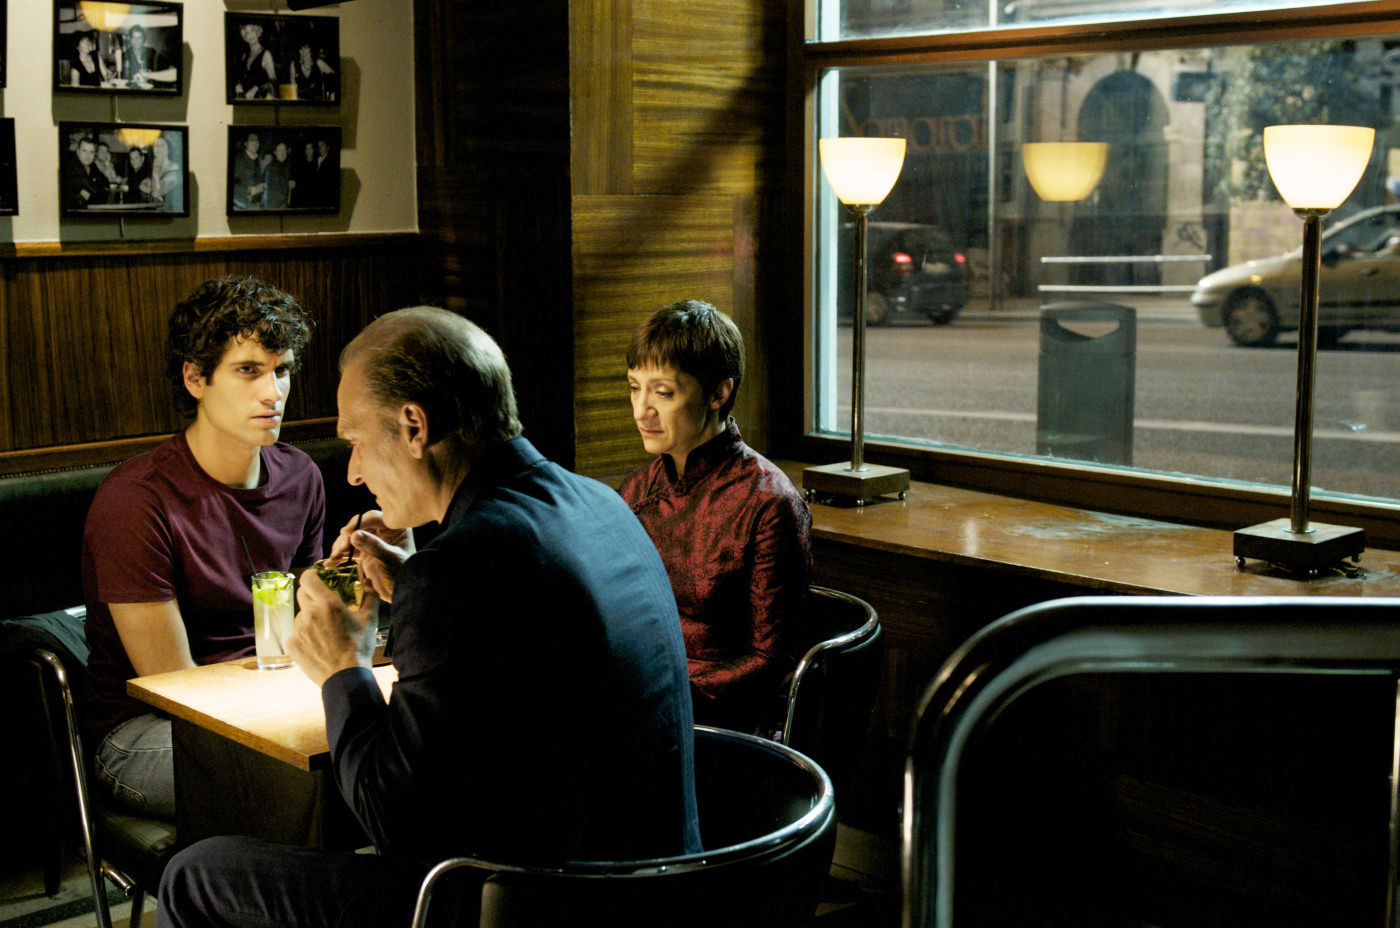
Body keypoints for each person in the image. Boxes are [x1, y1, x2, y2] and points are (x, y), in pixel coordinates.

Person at [155, 307, 699, 928]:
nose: (354, 472)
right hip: (665, 891)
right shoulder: (600, 502)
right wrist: (410, 583)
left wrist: (342, 667)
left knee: (196, 873)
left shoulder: (462, 568)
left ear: (415, 426)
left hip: (528, 904)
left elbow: (397, 828)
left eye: (357, 442)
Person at [81, 276, 324, 819]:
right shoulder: (135, 501)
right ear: (195, 377)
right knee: (301, 784)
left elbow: (306, 626)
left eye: (281, 370)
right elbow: (176, 686)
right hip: (145, 729)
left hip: (272, 699)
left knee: (390, 748)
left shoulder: (300, 475)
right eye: (248, 371)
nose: (273, 393)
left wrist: (354, 581)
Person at [619, 299, 812, 733]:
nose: (640, 411)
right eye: (635, 387)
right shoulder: (635, 491)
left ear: (718, 392)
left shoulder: (768, 501)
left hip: (726, 722)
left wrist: (661, 689)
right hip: (643, 703)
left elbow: (770, 659)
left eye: (663, 392)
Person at [121, 23, 177, 88]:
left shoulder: (151, 52)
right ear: (131, 40)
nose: (136, 41)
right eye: (134, 38)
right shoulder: (125, 55)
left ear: (143, 40)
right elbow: (122, 78)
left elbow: (169, 67)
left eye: (139, 38)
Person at [233, 22, 277, 99]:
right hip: (247, 101)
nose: (250, 35)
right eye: (246, 32)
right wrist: (238, 86)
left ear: (258, 33)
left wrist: (257, 88)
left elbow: (273, 81)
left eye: (252, 31)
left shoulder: (266, 54)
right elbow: (243, 78)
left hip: (262, 100)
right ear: (244, 37)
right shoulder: (245, 56)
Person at [62, 137, 101, 210]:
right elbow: (94, 189)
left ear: (94, 154)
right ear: (77, 151)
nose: (88, 156)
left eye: (91, 152)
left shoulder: (92, 166)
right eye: (84, 151)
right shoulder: (71, 166)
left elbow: (105, 183)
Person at [231, 131, 266, 210]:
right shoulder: (238, 159)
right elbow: (233, 183)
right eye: (252, 140)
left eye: (257, 140)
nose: (255, 143)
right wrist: (250, 190)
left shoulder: (257, 160)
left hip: (254, 203)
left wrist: (261, 185)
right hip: (240, 204)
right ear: (246, 144)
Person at [149, 135, 181, 211]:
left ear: (168, 150)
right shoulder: (156, 167)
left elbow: (156, 193)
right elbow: (143, 185)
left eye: (162, 145)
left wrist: (154, 175)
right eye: (156, 146)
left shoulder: (174, 168)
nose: (159, 148)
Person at [263, 140, 293, 209]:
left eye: (284, 150)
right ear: (275, 152)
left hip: (284, 206)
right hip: (274, 207)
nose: (283, 153)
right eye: (280, 150)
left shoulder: (288, 166)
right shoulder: (270, 168)